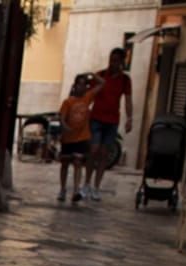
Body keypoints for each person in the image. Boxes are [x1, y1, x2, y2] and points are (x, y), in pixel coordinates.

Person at [83, 46, 134, 201]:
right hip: (96, 118)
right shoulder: (100, 76)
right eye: (111, 60)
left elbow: (128, 100)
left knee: (104, 154)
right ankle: (86, 183)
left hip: (112, 121)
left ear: (121, 62)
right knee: (93, 150)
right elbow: (89, 95)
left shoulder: (125, 80)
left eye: (116, 61)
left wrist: (130, 118)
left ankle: (97, 186)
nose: (112, 63)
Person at [57, 74, 97, 205]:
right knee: (65, 164)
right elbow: (62, 117)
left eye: (84, 84)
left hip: (81, 137)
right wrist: (65, 127)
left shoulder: (87, 98)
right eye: (79, 84)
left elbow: (102, 84)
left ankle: (76, 189)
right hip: (68, 138)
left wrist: (92, 75)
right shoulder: (68, 102)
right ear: (74, 86)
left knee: (78, 163)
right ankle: (62, 189)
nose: (82, 87)